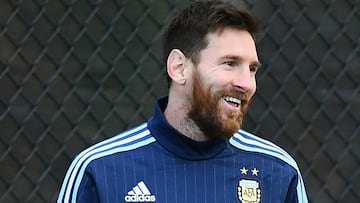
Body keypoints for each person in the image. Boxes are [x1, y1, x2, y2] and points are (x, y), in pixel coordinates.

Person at [57, 1, 308, 202]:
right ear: (179, 68)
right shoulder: (100, 170)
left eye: (252, 69)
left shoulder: (277, 172)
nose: (246, 83)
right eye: (230, 64)